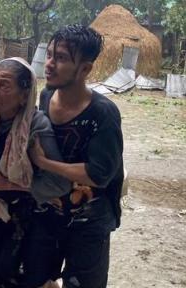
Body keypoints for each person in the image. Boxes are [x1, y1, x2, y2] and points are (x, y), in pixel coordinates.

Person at [0, 57, 71, 288]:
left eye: (4, 85)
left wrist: (10, 184)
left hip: (30, 216)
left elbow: (60, 184)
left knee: (24, 278)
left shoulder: (37, 127)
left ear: (24, 95)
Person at [28, 24, 124, 288]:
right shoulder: (46, 96)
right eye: (49, 55)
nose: (49, 64)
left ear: (85, 69)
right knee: (36, 279)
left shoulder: (103, 114)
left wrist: (45, 163)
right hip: (50, 212)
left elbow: (99, 173)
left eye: (60, 58)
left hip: (89, 219)